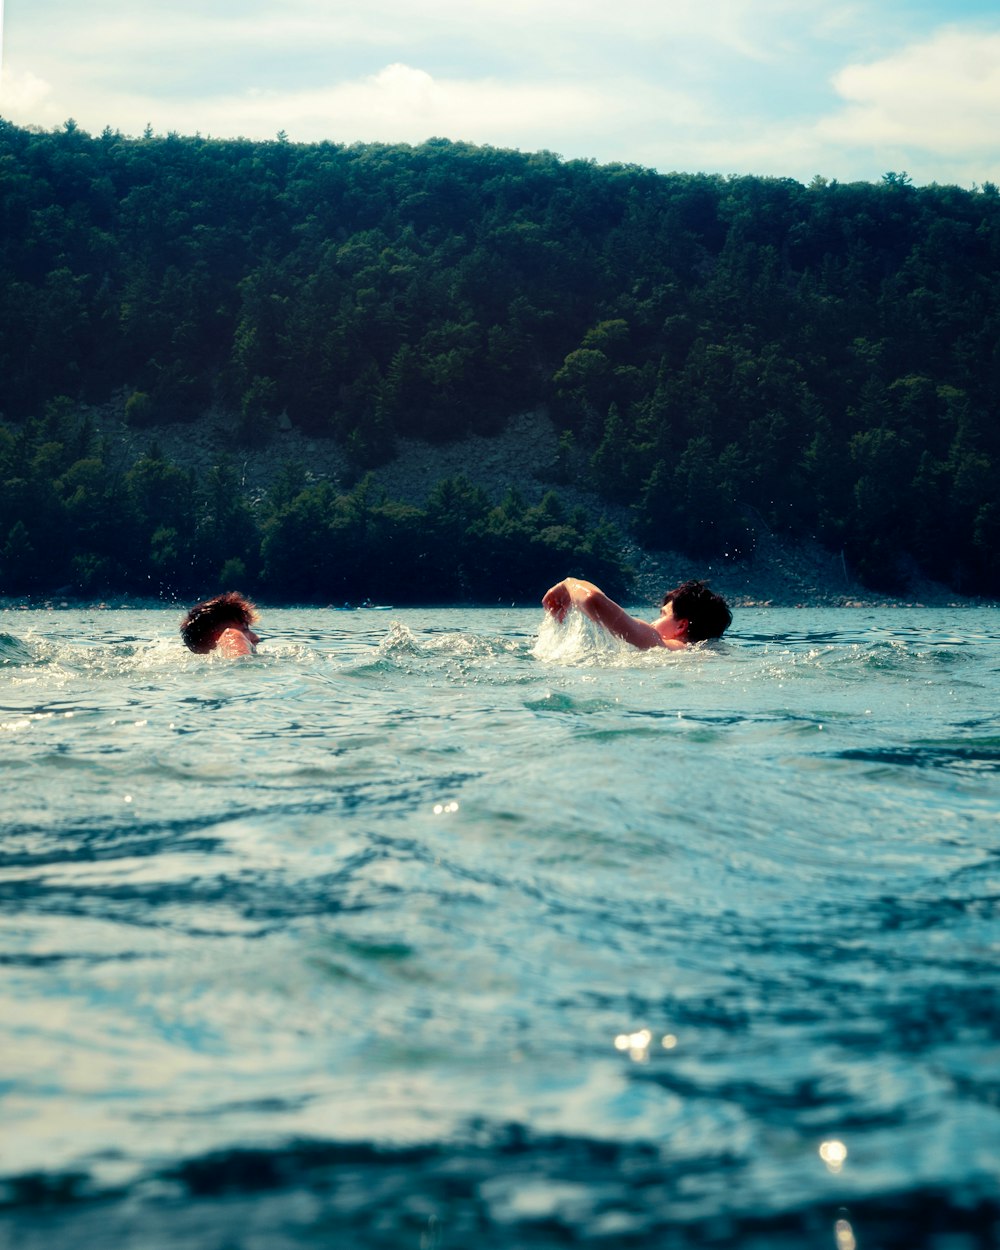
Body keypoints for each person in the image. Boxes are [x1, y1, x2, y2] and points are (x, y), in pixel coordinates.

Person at [542, 577, 731, 650]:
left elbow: (593, 601)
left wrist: (569, 585)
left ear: (681, 626)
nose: (655, 622)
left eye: (663, 615)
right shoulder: (706, 652)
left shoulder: (663, 644)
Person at [180, 592, 261, 657]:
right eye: (245, 629)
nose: (257, 638)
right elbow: (243, 666)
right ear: (218, 638)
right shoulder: (230, 634)